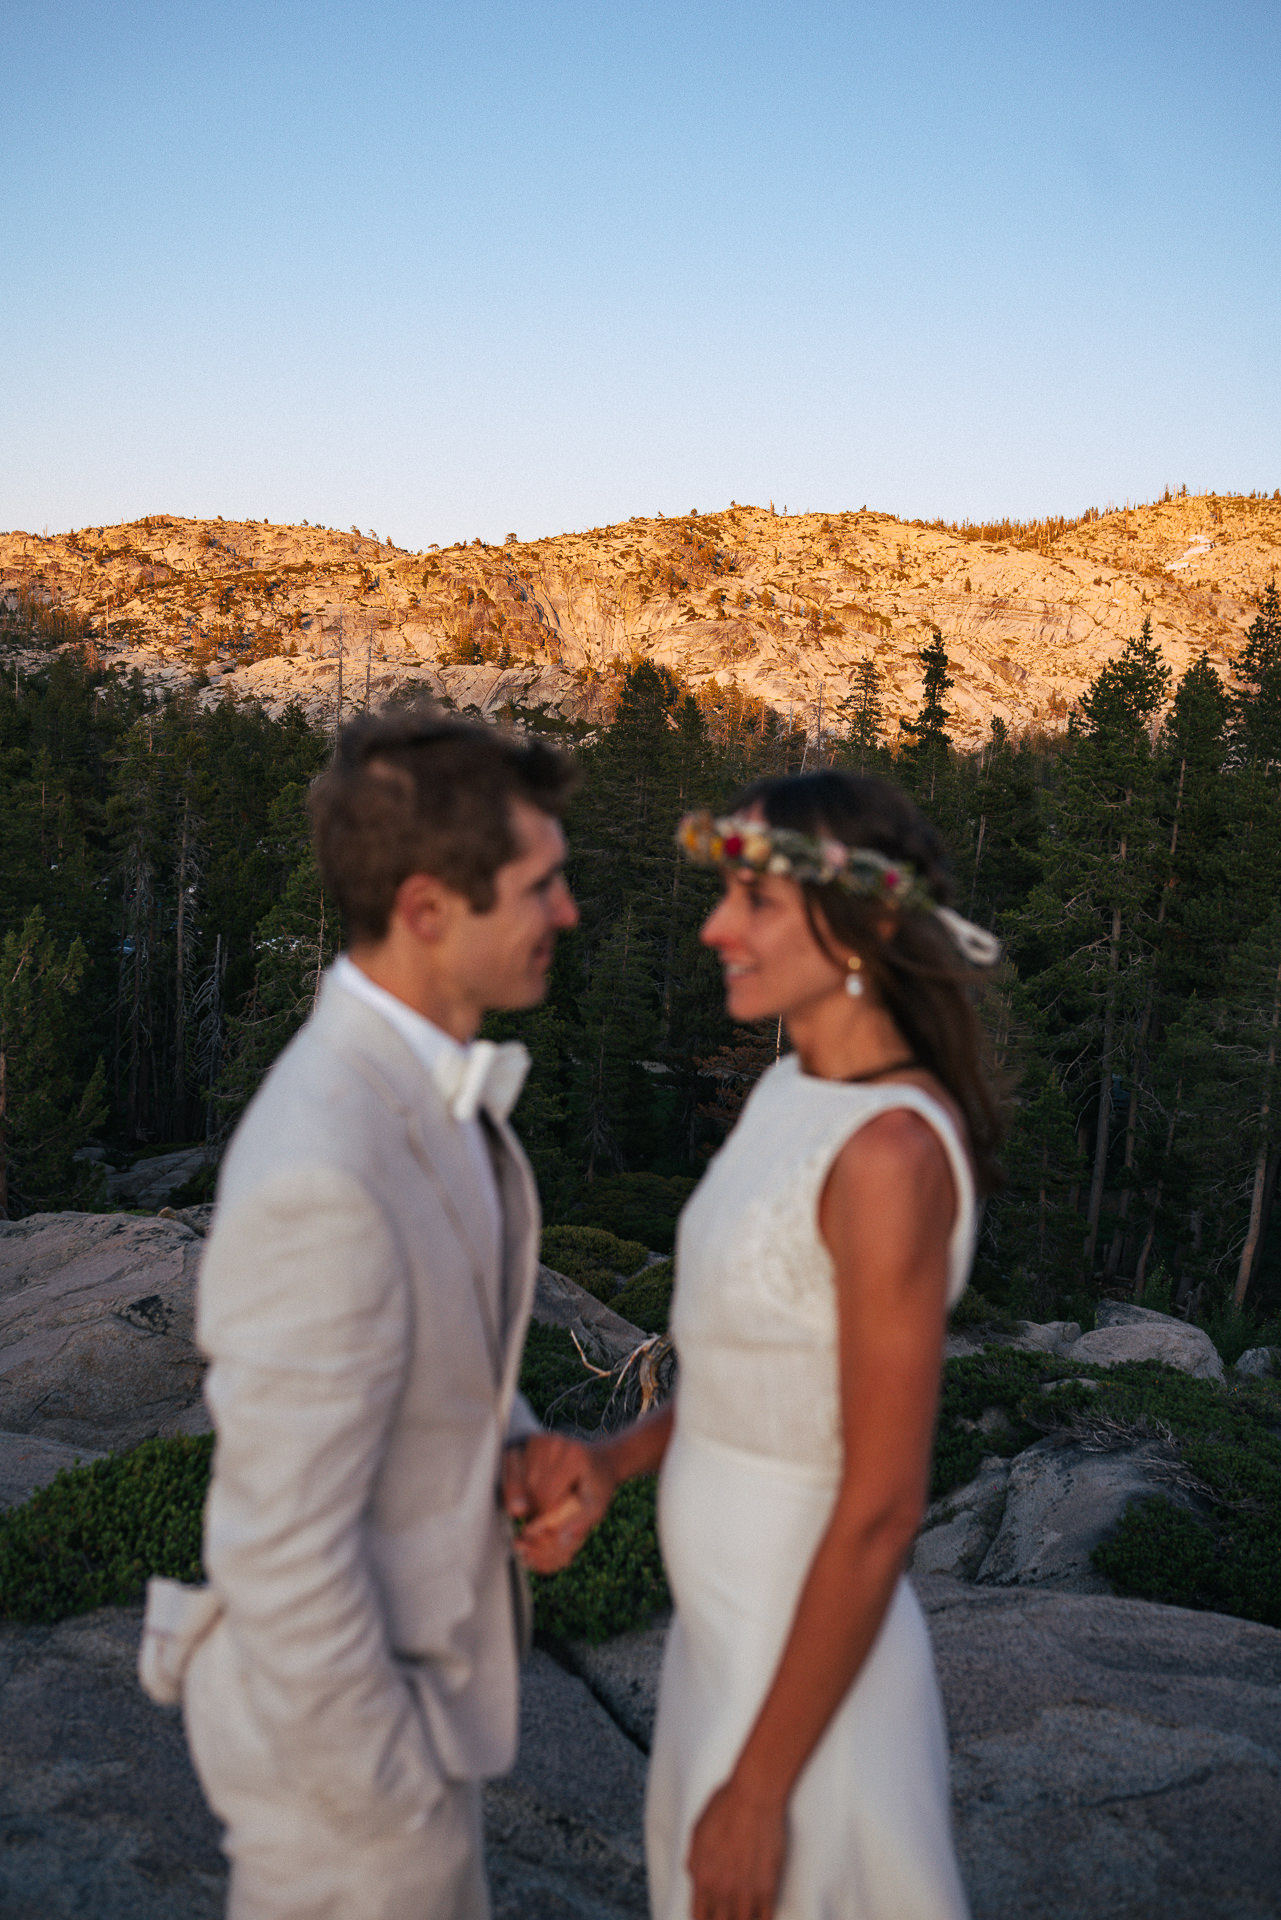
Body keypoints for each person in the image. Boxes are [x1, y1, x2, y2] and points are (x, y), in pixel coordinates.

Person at [514, 770, 1004, 1920]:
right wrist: (614, 1462)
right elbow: (761, 1374)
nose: (716, 929)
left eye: (756, 902)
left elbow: (882, 1504)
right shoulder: (789, 1091)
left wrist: (761, 1787)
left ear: (859, 926)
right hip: (719, 1653)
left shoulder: (890, 1155)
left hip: (812, 1697)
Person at [138, 707, 578, 1920]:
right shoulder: (323, 1166)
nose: (568, 912)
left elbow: (421, 1355)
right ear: (429, 909)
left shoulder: (415, 1095)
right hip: (352, 1800)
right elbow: (277, 1548)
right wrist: (391, 1795)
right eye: (540, 887)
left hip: (414, 1726)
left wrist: (513, 1447)